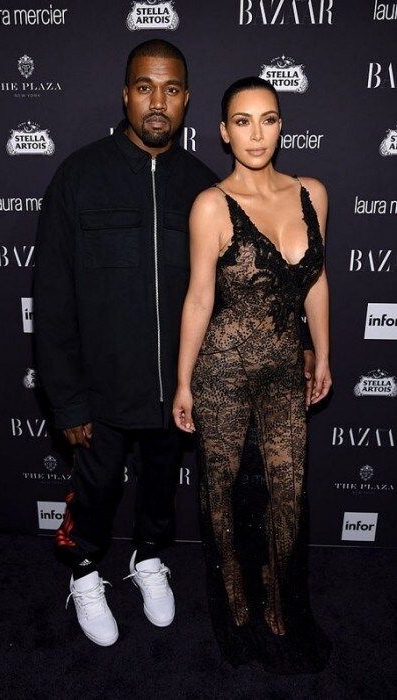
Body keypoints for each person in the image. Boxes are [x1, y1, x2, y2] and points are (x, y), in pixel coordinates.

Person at [34, 40, 218, 647]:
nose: (157, 102)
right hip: (101, 389)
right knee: (95, 488)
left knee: (161, 485)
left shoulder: (204, 188)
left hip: (177, 387)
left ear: (186, 99)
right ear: (125, 93)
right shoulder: (79, 175)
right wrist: (69, 401)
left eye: (170, 89)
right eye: (145, 87)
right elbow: (54, 297)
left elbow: (233, 290)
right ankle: (85, 570)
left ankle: (147, 559)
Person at [173, 77, 332, 674]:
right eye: (242, 121)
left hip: (286, 370)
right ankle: (236, 608)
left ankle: (282, 608)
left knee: (288, 491)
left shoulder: (312, 193)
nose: (256, 133)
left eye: (267, 119)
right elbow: (198, 299)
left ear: (282, 125)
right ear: (223, 131)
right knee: (222, 497)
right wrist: (185, 382)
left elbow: (316, 280)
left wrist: (324, 351)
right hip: (222, 372)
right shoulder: (212, 204)